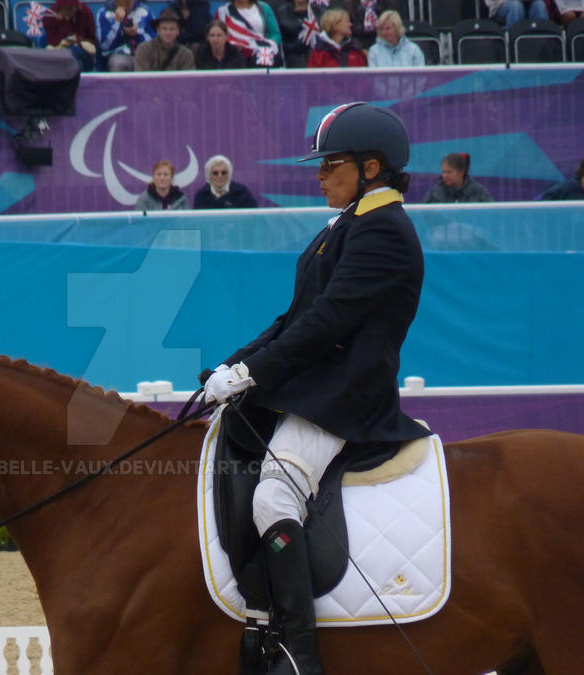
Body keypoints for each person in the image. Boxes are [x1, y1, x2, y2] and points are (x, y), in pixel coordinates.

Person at [200, 102, 430, 675]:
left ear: (370, 168)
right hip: (316, 386)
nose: (320, 175)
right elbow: (292, 319)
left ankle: (298, 651)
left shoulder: (385, 232)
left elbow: (330, 321)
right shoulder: (346, 226)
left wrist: (253, 375)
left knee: (274, 496)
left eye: (331, 165)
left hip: (347, 398)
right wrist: (231, 367)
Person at [215, 0, 283, 67]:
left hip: (261, 50)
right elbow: (218, 34)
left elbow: (275, 35)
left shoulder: (264, 8)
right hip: (234, 53)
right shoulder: (223, 11)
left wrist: (268, 45)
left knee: (265, 60)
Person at [96, 0, 156, 71]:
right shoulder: (104, 13)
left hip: (142, 55)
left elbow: (154, 44)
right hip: (117, 55)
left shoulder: (146, 12)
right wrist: (117, 23)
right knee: (118, 63)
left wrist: (137, 33)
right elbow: (105, 46)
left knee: (149, 62)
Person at [44, 0, 98, 72]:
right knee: (75, 62)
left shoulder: (86, 12)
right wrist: (64, 22)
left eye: (72, 7)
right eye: (67, 7)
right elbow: (53, 42)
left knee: (74, 53)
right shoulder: (49, 16)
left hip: (83, 52)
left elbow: (92, 40)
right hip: (59, 53)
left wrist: (77, 40)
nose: (70, 9)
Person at [423, 153, 494, 203]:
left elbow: (490, 213)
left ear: (461, 172)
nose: (445, 175)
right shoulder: (435, 192)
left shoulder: (478, 191)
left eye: (449, 172)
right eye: (443, 172)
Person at [193, 155, 258, 208]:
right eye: (215, 173)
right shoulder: (202, 195)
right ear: (209, 175)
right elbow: (198, 221)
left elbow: (253, 216)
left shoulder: (242, 192)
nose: (220, 176)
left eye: (224, 172)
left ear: (229, 174)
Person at [276, 0, 314, 68]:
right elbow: (278, 39)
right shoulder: (282, 13)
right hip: (291, 56)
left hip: (315, 55)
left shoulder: (318, 11)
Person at [484, 0, 548, 29]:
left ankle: (544, 46)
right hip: (500, 5)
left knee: (540, 4)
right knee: (516, 5)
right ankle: (513, 44)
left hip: (527, 4)